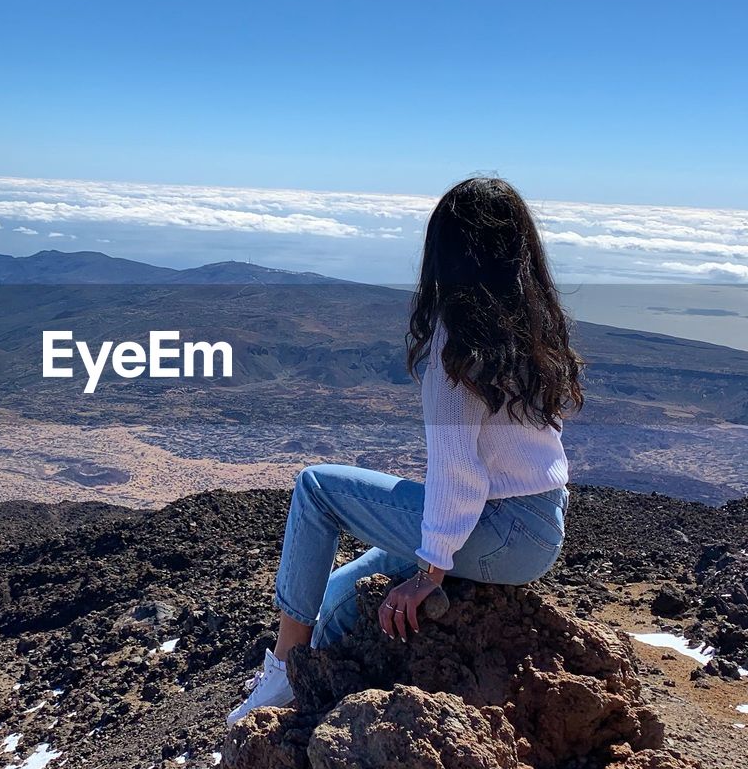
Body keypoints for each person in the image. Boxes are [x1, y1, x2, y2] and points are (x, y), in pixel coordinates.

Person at [228, 176, 584, 726]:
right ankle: (301, 700)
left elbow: (458, 471)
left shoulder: (458, 342)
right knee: (347, 586)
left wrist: (430, 573)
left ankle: (281, 670)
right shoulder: (530, 328)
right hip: (540, 528)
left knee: (315, 487)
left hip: (499, 529)